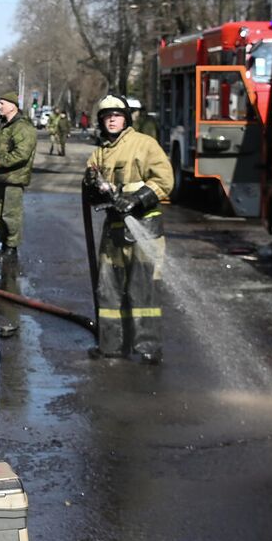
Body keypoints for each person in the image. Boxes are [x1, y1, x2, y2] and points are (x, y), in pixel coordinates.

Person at [83, 94, 175, 365]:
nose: (112, 119)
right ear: (101, 120)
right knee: (108, 288)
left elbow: (165, 180)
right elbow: (92, 191)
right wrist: (91, 185)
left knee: (142, 289)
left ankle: (148, 348)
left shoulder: (144, 144)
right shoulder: (100, 151)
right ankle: (111, 345)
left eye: (117, 114)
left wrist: (136, 199)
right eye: (106, 115)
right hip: (113, 228)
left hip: (144, 226)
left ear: (126, 118)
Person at [0, 93, 37, 259]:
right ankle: (4, 244)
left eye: (2, 103)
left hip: (13, 179)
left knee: (10, 216)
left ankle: (11, 248)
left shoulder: (22, 127)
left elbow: (22, 154)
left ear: (13, 105)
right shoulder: (3, 125)